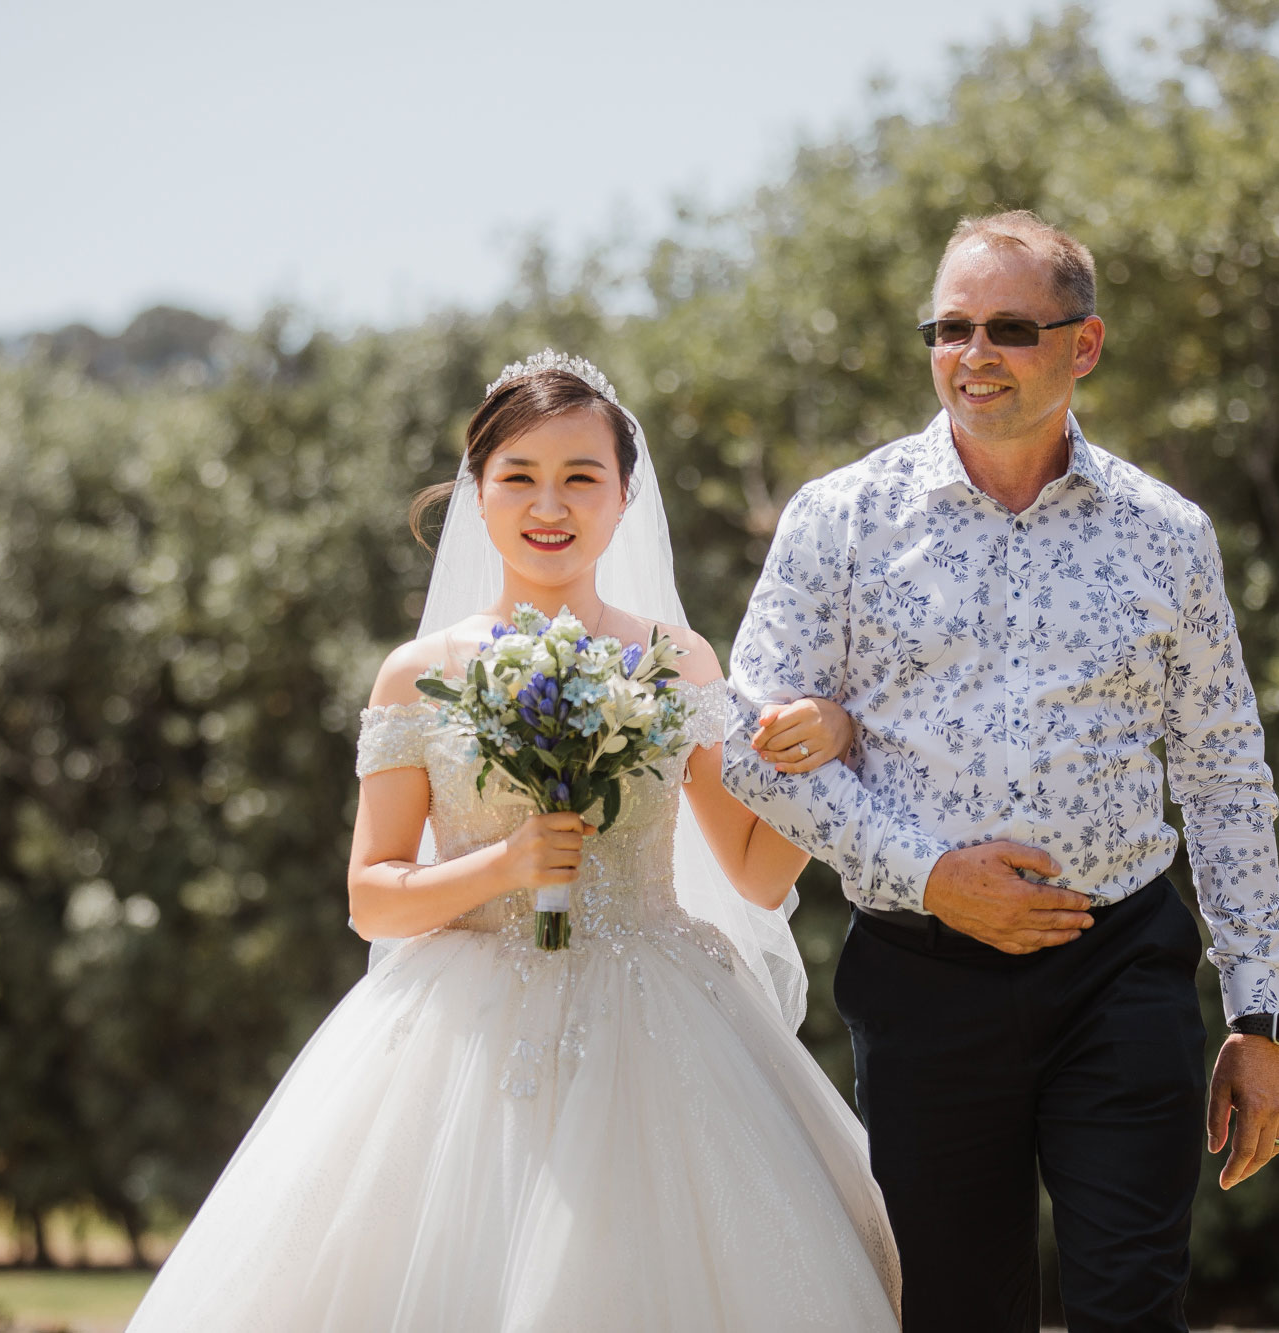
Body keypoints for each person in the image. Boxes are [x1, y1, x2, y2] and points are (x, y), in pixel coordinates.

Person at [122, 351, 902, 1332]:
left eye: (582, 477)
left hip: (660, 1016)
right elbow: (372, 894)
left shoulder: (675, 659)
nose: (550, 503)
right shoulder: (416, 673)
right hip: (461, 1030)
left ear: (623, 500)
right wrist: (503, 865)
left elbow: (749, 871)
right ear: (474, 498)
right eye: (518, 477)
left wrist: (810, 768)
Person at [722, 211, 1279, 1333]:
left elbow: (1225, 772)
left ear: (1081, 346)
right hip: (917, 978)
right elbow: (753, 748)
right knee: (952, 1312)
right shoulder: (839, 520)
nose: (970, 355)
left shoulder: (1166, 535)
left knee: (1132, 1303)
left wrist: (1260, 1013)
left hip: (1118, 968)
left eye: (1006, 329)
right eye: (947, 328)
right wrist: (928, 872)